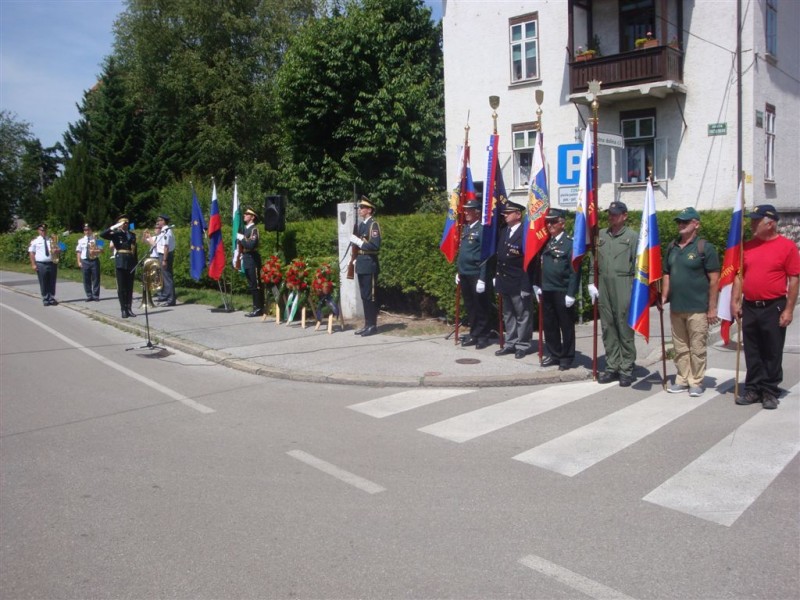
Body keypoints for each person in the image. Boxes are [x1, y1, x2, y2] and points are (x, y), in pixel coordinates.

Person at [731, 204, 800, 410]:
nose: (752, 224)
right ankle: (753, 388)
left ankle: (769, 390)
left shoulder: (787, 247)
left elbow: (794, 280)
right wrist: (735, 301)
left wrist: (789, 310)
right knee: (752, 350)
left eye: (756, 221)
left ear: (770, 224)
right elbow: (739, 276)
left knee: (772, 350)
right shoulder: (747, 247)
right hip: (750, 305)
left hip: (773, 306)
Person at [661, 207, 721, 396]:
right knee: (680, 347)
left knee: (697, 347)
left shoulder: (705, 248)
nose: (681, 225)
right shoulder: (672, 247)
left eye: (685, 222)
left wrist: (712, 308)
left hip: (698, 307)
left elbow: (714, 280)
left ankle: (696, 381)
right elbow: (667, 274)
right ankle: (682, 379)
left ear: (696, 224)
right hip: (677, 307)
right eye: (679, 222)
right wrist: (663, 296)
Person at [588, 201, 638, 386]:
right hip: (604, 283)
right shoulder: (601, 235)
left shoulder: (632, 236)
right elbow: (594, 261)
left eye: (615, 214)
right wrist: (591, 282)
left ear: (625, 216)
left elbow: (639, 265)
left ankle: (626, 368)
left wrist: (636, 290)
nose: (611, 217)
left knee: (623, 325)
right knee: (607, 326)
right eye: (610, 213)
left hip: (624, 282)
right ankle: (612, 366)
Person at [533, 209, 579, 370]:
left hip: (562, 290)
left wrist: (571, 293)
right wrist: (538, 284)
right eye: (548, 222)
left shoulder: (569, 243)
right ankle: (554, 354)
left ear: (562, 223)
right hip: (547, 288)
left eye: (553, 222)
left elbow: (574, 271)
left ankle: (567, 357)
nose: (549, 225)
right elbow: (540, 265)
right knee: (550, 324)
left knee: (566, 326)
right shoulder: (546, 242)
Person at [494, 201, 533, 359]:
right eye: (505, 213)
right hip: (504, 279)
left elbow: (529, 261)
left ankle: (522, 344)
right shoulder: (504, 230)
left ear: (518, 214)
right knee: (508, 314)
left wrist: (526, 284)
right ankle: (510, 343)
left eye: (508, 213)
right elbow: (500, 256)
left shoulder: (525, 232)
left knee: (523, 314)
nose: (505, 215)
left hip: (518, 280)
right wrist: (496, 276)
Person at [456, 198, 491, 349]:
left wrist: (482, 278)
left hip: (476, 273)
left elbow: (485, 256)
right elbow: (463, 252)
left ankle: (483, 336)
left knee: (480, 306)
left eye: (469, 210)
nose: (466, 212)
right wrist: (459, 271)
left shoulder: (481, 229)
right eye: (465, 210)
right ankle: (474, 333)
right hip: (465, 272)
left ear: (477, 212)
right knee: (470, 306)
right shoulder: (466, 228)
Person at [349, 196, 381, 336]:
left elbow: (375, 245)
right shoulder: (362, 225)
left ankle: (372, 326)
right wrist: (355, 258)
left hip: (369, 263)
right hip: (362, 263)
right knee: (364, 296)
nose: (360, 209)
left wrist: (359, 242)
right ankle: (367, 324)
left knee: (370, 296)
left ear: (369, 210)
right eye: (360, 207)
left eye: (362, 207)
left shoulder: (373, 225)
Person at [100, 215, 138, 319]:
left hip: (130, 262)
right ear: (120, 224)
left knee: (129, 287)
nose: (125, 224)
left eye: (127, 222)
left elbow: (135, 250)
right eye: (123, 223)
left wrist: (136, 263)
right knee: (122, 287)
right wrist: (114, 227)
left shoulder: (132, 235)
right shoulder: (116, 234)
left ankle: (129, 308)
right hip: (120, 261)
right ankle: (123, 309)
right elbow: (102, 234)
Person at [238, 207, 264, 317]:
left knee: (255, 284)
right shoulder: (245, 229)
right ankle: (256, 307)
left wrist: (242, 239)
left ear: (252, 217)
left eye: (247, 214)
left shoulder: (254, 230)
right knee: (251, 284)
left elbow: (251, 245)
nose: (244, 215)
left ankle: (259, 308)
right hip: (246, 258)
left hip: (253, 259)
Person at [28, 223, 58, 306]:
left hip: (52, 263)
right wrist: (33, 264)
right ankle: (45, 298)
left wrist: (57, 250)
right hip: (41, 264)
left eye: (45, 230)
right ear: (38, 231)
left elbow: (63, 247)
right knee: (43, 281)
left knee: (52, 281)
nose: (43, 232)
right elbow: (31, 253)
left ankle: (51, 298)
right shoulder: (35, 241)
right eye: (42, 230)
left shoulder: (52, 239)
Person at [75, 223, 101, 302]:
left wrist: (95, 251)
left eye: (88, 229)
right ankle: (89, 295)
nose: (87, 231)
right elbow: (78, 251)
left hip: (94, 260)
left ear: (91, 230)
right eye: (85, 230)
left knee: (96, 278)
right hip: (85, 261)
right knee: (86, 279)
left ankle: (96, 295)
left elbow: (102, 250)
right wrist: (79, 262)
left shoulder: (97, 239)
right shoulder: (80, 240)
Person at [154, 214, 176, 306]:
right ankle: (167, 296)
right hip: (163, 255)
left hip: (165, 255)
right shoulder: (163, 230)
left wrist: (164, 260)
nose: (158, 222)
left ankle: (171, 300)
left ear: (164, 221)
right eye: (158, 220)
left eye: (160, 220)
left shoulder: (166, 231)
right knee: (165, 277)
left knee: (167, 277)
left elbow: (166, 247)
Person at [140, 223, 162, 309]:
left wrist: (149, 236)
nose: (155, 229)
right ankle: (157, 292)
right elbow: (144, 241)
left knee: (157, 277)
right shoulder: (153, 237)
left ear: (160, 229)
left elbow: (154, 245)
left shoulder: (159, 237)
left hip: (157, 257)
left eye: (157, 228)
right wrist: (144, 235)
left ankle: (160, 293)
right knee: (152, 277)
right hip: (152, 257)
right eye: (155, 228)